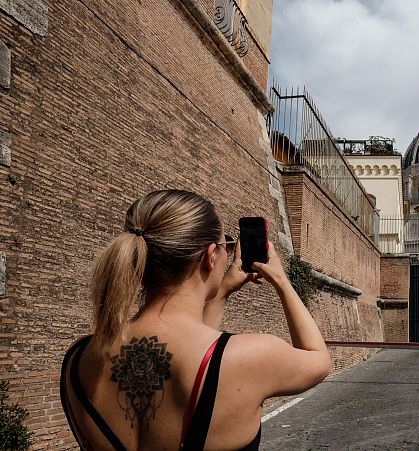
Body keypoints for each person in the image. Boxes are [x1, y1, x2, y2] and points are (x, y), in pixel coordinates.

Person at [60, 189, 331, 450]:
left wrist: (222, 291)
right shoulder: (251, 355)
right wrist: (282, 281)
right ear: (211, 256)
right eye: (227, 244)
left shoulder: (78, 359)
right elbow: (318, 359)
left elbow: (202, 349)